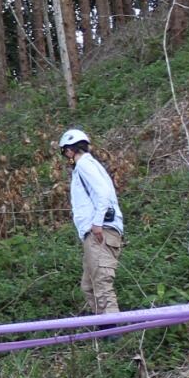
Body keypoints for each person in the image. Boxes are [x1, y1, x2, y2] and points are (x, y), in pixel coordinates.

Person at [62, 128, 124, 315]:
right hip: (95, 233)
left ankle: (115, 334)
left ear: (71, 150)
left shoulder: (84, 165)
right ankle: (105, 331)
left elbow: (103, 194)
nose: (67, 157)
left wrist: (97, 223)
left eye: (66, 152)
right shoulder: (89, 166)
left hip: (100, 231)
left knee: (102, 284)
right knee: (88, 286)